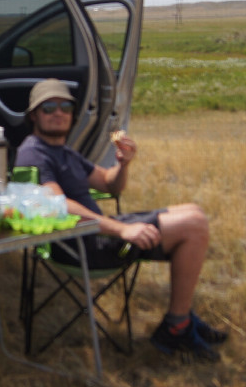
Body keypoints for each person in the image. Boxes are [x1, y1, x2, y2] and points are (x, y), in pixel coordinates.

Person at [14, 79, 228, 362]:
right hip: (80, 247)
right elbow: (58, 205)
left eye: (65, 106)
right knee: (193, 227)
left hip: (97, 233)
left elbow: (109, 185)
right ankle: (177, 327)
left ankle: (183, 317)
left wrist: (122, 164)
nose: (58, 112)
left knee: (194, 212)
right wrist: (122, 229)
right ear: (34, 115)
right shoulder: (33, 152)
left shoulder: (64, 152)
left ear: (73, 114)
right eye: (48, 107)